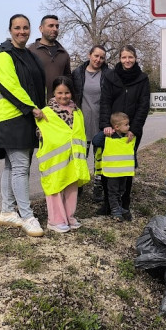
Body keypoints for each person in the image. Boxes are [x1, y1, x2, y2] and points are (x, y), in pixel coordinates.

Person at [0, 14, 46, 237]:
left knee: (12, 166)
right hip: (11, 118)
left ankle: (7, 211)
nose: (22, 31)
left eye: (25, 28)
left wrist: (39, 109)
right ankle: (27, 216)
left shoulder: (28, 55)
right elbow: (11, 86)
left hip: (22, 116)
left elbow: (36, 86)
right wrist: (33, 109)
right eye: (17, 28)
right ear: (10, 30)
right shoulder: (2, 55)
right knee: (20, 167)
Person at [97, 45, 151, 216]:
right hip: (112, 130)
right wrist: (106, 124)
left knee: (127, 167)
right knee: (110, 166)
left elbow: (144, 106)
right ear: (119, 59)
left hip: (131, 132)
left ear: (135, 58)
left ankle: (124, 203)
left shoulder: (142, 79)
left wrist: (134, 129)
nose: (127, 61)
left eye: (130, 57)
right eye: (124, 57)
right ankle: (108, 203)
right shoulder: (111, 77)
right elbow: (105, 102)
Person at [35, 76, 91, 233]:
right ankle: (55, 220)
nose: (63, 96)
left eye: (67, 93)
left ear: (71, 93)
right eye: (59, 93)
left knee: (71, 188)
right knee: (55, 188)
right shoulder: (46, 112)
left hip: (74, 159)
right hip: (55, 160)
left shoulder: (77, 112)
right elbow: (41, 133)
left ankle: (69, 216)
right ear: (53, 93)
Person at [72, 45, 107, 201]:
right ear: (89, 55)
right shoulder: (77, 74)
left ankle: (98, 187)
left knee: (99, 158)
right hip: (81, 123)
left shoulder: (108, 74)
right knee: (81, 156)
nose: (98, 60)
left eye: (102, 57)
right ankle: (79, 185)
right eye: (96, 56)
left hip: (101, 123)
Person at [91, 112, 135, 220]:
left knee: (121, 191)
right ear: (116, 127)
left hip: (124, 172)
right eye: (126, 125)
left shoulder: (127, 136)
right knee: (113, 192)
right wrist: (104, 132)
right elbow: (95, 141)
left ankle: (118, 207)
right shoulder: (108, 136)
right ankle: (115, 211)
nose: (128, 127)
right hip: (112, 173)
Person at [27, 14, 72, 101]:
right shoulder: (30, 52)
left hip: (59, 106)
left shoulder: (64, 54)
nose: (55, 29)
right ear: (41, 28)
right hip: (37, 105)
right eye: (51, 26)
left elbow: (68, 81)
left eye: (57, 26)